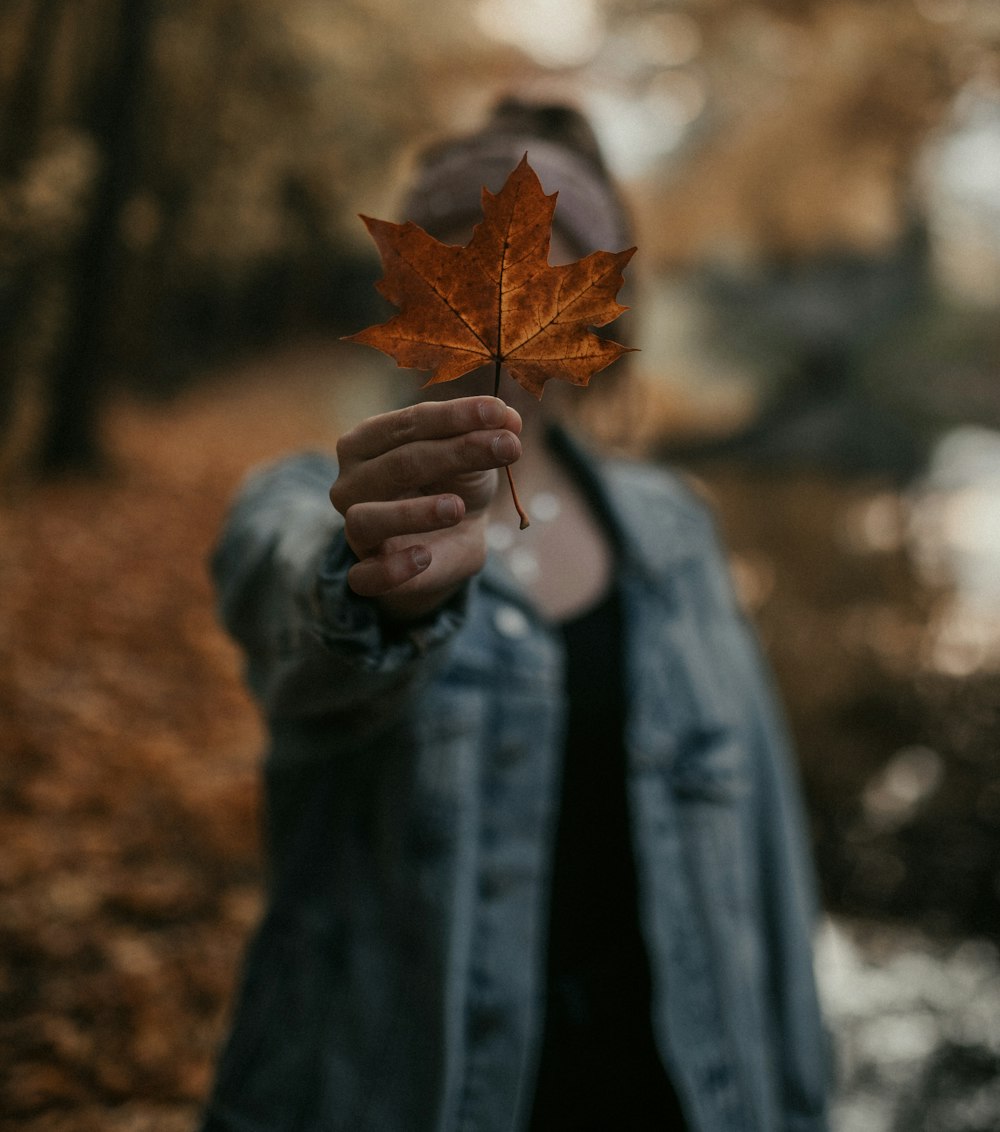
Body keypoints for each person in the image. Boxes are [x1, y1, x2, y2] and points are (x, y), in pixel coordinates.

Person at [199, 99, 830, 1132]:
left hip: (671, 1093)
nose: (499, 307)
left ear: (598, 314)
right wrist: (371, 581)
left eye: (551, 270)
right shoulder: (305, 503)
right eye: (454, 259)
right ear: (406, 292)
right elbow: (290, 603)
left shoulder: (671, 534)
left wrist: (799, 1098)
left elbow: (766, 857)